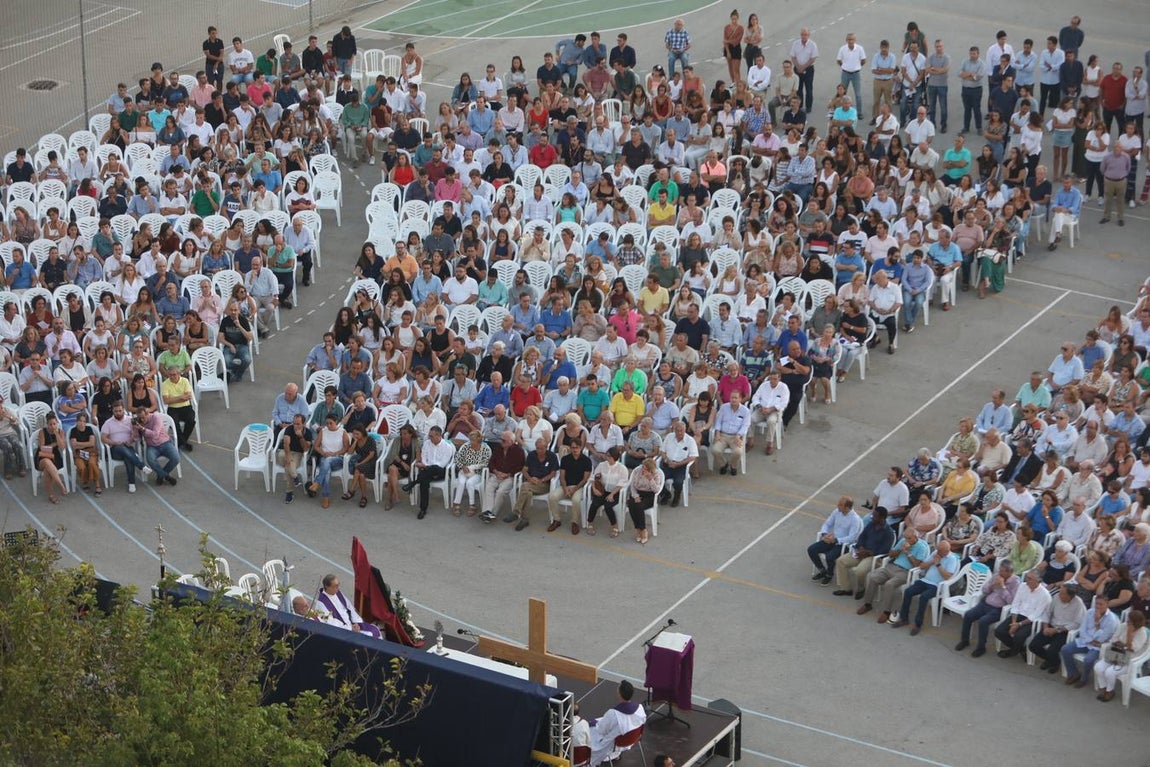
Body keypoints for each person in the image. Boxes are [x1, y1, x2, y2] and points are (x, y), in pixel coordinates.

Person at [858, 526, 929, 623]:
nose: (906, 540)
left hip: (905, 572)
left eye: (909, 538)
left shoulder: (922, 547)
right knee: (872, 577)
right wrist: (900, 549)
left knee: (889, 584)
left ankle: (886, 611)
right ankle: (867, 604)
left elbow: (917, 565)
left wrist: (908, 553)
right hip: (892, 566)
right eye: (905, 537)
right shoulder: (903, 541)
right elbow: (891, 554)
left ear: (915, 537)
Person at [893, 540, 960, 634]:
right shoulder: (935, 553)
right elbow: (922, 565)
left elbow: (947, 576)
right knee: (908, 591)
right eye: (937, 550)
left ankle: (918, 624)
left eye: (940, 551)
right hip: (925, 581)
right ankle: (904, 619)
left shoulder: (952, 559)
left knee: (924, 597)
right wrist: (933, 561)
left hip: (937, 586)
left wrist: (938, 564)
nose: (938, 552)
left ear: (946, 551)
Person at [956, 559, 1019, 658]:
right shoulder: (996, 575)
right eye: (1000, 570)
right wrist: (992, 584)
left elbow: (1011, 601)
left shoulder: (1015, 583)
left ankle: (981, 647)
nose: (1000, 572)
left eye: (1002, 571)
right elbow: (984, 590)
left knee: (983, 622)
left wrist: (1003, 587)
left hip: (997, 609)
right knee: (968, 615)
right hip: (985, 603)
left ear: (1009, 572)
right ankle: (964, 641)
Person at [1061, 594, 1120, 688]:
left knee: (1088, 660)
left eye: (1101, 604)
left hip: (1098, 647)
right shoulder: (1090, 612)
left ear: (1107, 605)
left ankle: (1084, 679)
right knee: (1065, 649)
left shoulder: (1111, 620)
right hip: (1085, 641)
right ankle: (1073, 673)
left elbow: (1103, 638)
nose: (1098, 606)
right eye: (1097, 604)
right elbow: (1082, 630)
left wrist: (1097, 623)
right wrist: (1090, 640)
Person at [994, 569, 1053, 657]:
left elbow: (1036, 614)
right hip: (1018, 615)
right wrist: (1014, 622)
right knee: (999, 631)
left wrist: (1019, 624)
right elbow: (1015, 604)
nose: (1026, 580)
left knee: (1019, 637)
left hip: (1030, 621)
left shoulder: (1045, 595)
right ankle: (1020, 649)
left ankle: (1012, 651)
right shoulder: (1022, 586)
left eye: (1029, 578)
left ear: (1038, 580)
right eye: (1026, 578)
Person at [1093, 611, 1149, 701]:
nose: (1127, 622)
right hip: (1116, 653)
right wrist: (1122, 645)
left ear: (1136, 622)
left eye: (1130, 621)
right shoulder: (1123, 626)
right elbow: (1114, 638)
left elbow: (1132, 648)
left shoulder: (1142, 632)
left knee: (1109, 672)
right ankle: (1104, 687)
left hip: (1130, 659)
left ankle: (1109, 691)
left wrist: (1129, 634)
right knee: (1098, 667)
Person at [402, 425, 456, 519]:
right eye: (429, 435)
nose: (429, 437)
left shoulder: (447, 447)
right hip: (426, 472)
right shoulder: (427, 443)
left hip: (440, 472)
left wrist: (425, 467)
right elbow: (424, 458)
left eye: (431, 436)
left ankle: (414, 482)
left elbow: (442, 464)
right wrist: (426, 466)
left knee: (434, 467)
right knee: (424, 482)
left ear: (439, 436)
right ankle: (423, 509)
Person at [588, 680, 646, 767]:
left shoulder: (613, 714)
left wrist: (593, 723)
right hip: (633, 738)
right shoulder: (640, 709)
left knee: (590, 731)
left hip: (616, 743)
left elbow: (601, 730)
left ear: (619, 694)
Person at [808, 496, 863, 585]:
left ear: (847, 507)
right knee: (811, 549)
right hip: (831, 539)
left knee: (830, 557)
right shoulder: (837, 512)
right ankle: (823, 571)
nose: (838, 506)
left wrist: (836, 540)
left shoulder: (855, 519)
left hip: (843, 544)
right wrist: (824, 534)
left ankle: (829, 575)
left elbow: (852, 537)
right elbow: (827, 523)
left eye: (840, 505)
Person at [314, 573, 382, 639]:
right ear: (327, 587)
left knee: (374, 630)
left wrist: (356, 622)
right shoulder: (320, 604)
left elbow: (349, 607)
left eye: (338, 585)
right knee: (367, 638)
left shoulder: (337, 593)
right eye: (335, 586)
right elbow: (330, 623)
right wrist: (350, 628)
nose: (338, 588)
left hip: (351, 624)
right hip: (342, 631)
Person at [137, 406, 179, 486]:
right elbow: (136, 438)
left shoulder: (156, 418)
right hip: (152, 446)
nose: (142, 420)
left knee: (176, 458)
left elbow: (155, 434)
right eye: (140, 418)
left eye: (143, 417)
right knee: (150, 460)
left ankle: (161, 475)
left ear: (147, 414)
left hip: (165, 443)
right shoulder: (139, 423)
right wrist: (135, 429)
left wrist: (143, 429)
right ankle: (166, 476)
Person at [452, 431, 490, 516]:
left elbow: (486, 463)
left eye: (473, 440)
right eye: (470, 440)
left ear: (479, 441)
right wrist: (462, 466)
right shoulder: (466, 446)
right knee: (461, 483)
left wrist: (473, 467)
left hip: (477, 473)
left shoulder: (485, 449)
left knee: (469, 483)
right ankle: (456, 503)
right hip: (464, 471)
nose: (470, 442)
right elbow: (457, 459)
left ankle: (472, 505)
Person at [35, 412, 68, 504]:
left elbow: (62, 447)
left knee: (47, 469)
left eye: (54, 424)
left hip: (55, 457)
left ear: (57, 423)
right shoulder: (42, 432)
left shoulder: (61, 432)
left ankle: (51, 495)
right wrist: (54, 444)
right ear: (47, 424)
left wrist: (57, 434)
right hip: (42, 456)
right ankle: (60, 484)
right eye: (50, 424)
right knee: (46, 462)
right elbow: (42, 448)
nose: (52, 426)